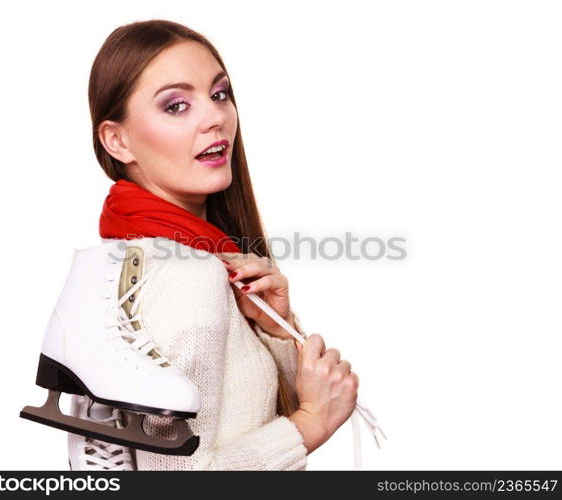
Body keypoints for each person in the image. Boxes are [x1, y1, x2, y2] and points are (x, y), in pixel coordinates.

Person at [76, 19, 359, 470]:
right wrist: (311, 424)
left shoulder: (133, 261)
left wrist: (274, 329)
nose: (215, 117)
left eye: (219, 93)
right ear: (117, 140)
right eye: (176, 105)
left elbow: (238, 418)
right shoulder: (190, 276)